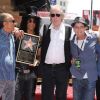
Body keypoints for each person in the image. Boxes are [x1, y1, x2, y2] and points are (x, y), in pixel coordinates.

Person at [40, 5, 72, 100]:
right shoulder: (44, 28)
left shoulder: (69, 30)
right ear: (50, 17)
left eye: (57, 15)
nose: (55, 17)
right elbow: (35, 41)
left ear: (62, 16)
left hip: (62, 69)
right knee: (46, 96)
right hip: (47, 69)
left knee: (61, 96)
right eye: (52, 15)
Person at [70, 17, 99, 100]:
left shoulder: (94, 38)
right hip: (76, 76)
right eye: (76, 27)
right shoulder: (71, 41)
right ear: (73, 28)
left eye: (81, 26)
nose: (79, 29)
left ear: (86, 27)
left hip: (90, 77)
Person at [15, 14, 41, 100]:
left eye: (34, 22)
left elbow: (39, 57)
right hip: (18, 72)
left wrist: (37, 61)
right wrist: (15, 31)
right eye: (30, 21)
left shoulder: (39, 38)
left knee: (30, 97)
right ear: (26, 22)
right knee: (17, 97)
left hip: (31, 73)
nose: (32, 23)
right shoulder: (19, 34)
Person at [0, 13, 24, 100]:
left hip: (11, 77)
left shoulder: (12, 36)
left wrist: (16, 31)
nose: (15, 23)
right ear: (4, 23)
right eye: (12, 21)